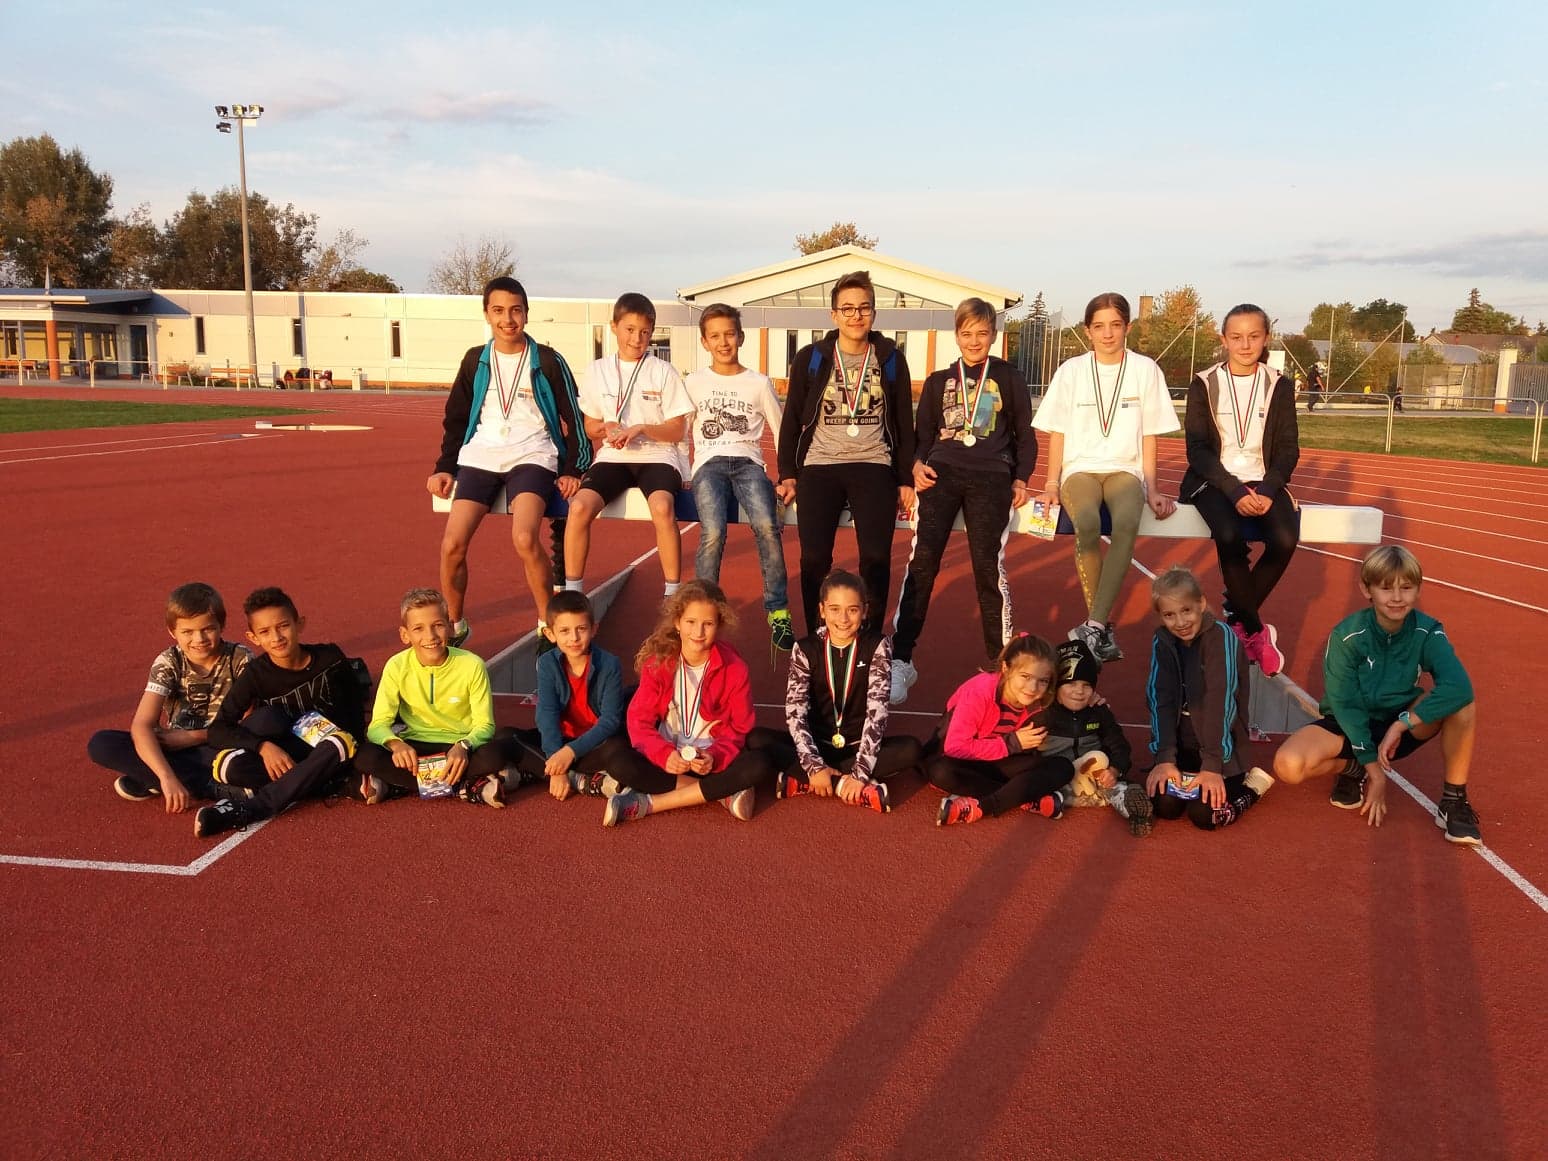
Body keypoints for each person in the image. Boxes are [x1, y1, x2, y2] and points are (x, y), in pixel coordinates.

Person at [1272, 546, 1479, 844]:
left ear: (1418, 589)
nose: (1396, 597)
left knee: (1462, 704)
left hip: (1400, 724)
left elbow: (1459, 687)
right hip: (1348, 724)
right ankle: (1353, 768)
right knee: (1288, 765)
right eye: (1385, 588)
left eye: (1406, 588)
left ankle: (1454, 800)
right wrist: (1374, 770)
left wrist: (1403, 723)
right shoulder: (1347, 636)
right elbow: (1345, 705)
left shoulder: (1428, 631)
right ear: (1366, 589)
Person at [889, 297, 1038, 704]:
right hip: (942, 473)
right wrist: (916, 466)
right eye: (967, 333)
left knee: (988, 568)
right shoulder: (939, 380)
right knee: (923, 563)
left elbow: (1025, 434)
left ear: (994, 334)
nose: (974, 341)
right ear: (956, 335)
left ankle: (1003, 664)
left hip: (992, 476)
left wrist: (1021, 478)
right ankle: (901, 659)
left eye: (982, 333)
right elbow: (922, 436)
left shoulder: (1009, 377)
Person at [428, 276, 589, 647]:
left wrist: (573, 469)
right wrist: (444, 466)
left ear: (526, 314)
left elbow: (575, 419)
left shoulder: (547, 360)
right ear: (487, 314)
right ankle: (456, 625)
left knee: (524, 537)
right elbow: (456, 418)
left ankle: (548, 626)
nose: (508, 319)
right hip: (481, 455)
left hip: (532, 455)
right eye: (498, 310)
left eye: (516, 310)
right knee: (451, 544)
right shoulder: (475, 360)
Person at [1034, 292, 1179, 663]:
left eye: (1115, 325)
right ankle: (1100, 626)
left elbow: (1149, 434)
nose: (1108, 334)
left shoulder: (1145, 369)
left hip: (1125, 470)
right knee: (1086, 522)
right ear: (1088, 331)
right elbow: (1057, 432)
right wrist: (1051, 483)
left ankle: (1094, 625)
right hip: (1079, 469)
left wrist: (1153, 487)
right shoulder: (1071, 371)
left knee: (1127, 521)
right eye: (1099, 326)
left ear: (1127, 327)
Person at [776, 270, 916, 637]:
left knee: (876, 558)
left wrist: (904, 478)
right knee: (814, 559)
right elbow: (791, 420)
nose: (856, 316)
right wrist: (787, 472)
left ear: (874, 313)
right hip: (820, 465)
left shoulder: (890, 359)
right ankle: (817, 637)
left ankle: (868, 639)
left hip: (873, 463)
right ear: (834, 314)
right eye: (848, 309)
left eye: (864, 308)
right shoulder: (811, 358)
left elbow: (904, 422)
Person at [1179, 303, 1300, 676]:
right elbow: (1197, 449)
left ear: (1266, 338)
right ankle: (1254, 630)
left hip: (1264, 481)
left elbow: (1288, 449)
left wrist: (1268, 490)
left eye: (1253, 336)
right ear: (1224, 340)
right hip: (1215, 480)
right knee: (1228, 533)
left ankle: (1237, 618)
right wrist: (1234, 491)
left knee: (1285, 538)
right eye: (1236, 337)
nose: (1245, 345)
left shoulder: (1279, 384)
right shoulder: (1204, 383)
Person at [194, 587, 368, 838]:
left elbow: (355, 709)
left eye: (283, 626)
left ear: (299, 624)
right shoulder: (256, 674)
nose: (276, 637)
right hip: (290, 753)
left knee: (340, 743)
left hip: (333, 748)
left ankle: (252, 808)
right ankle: (329, 784)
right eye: (265, 632)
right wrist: (263, 747)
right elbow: (218, 729)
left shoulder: (330, 658)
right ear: (253, 637)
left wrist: (352, 750)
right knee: (228, 766)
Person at [747, 570, 922, 813]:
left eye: (852, 610)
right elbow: (795, 713)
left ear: (865, 611)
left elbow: (877, 714)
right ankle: (839, 785)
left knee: (911, 749)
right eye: (835, 609)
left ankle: (805, 780)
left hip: (857, 747)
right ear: (822, 610)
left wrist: (860, 772)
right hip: (817, 744)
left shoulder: (878, 646)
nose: (843, 618)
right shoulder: (804, 649)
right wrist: (814, 765)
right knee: (756, 740)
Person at [603, 580, 775, 826]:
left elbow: (739, 728)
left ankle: (649, 804)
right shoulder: (658, 663)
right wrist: (664, 755)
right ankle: (722, 793)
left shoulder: (735, 669)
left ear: (719, 625)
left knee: (758, 764)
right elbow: (639, 721)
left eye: (708, 624)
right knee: (619, 762)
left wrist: (714, 756)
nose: (698, 632)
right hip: (668, 760)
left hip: (711, 762)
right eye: (691, 622)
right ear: (677, 622)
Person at [565, 292, 693, 597]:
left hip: (658, 456)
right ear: (614, 327)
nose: (637, 339)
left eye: (645, 332)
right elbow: (589, 427)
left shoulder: (663, 371)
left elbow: (677, 429)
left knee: (662, 507)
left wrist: (642, 428)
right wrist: (606, 427)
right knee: (579, 506)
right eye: (630, 330)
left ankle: (672, 593)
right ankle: (573, 593)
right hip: (613, 456)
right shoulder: (597, 370)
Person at [683, 303, 794, 653]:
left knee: (767, 526)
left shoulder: (758, 383)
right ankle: (703, 607)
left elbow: (781, 430)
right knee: (713, 531)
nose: (723, 342)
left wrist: (786, 476)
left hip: (748, 464)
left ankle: (777, 609)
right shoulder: (694, 383)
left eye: (729, 334)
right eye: (715, 336)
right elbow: (681, 429)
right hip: (709, 464)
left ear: (741, 337)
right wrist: (682, 470)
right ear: (704, 342)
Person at [86, 582, 251, 812]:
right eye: (187, 632)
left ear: (221, 625)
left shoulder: (240, 659)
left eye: (207, 629)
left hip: (222, 746)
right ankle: (200, 785)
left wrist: (194, 737)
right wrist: (166, 777)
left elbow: (250, 722)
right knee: (102, 743)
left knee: (246, 756)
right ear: (172, 632)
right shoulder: (169, 662)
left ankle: (151, 778)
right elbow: (142, 725)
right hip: (177, 747)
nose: (199, 639)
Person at [1143, 566, 1274, 831]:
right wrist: (1165, 758)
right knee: (1164, 805)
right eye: (1169, 615)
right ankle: (1182, 767)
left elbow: (1220, 702)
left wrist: (1213, 766)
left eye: (1186, 610)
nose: (1180, 622)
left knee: (1205, 814)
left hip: (1221, 750)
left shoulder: (1221, 638)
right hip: (1183, 749)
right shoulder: (1162, 640)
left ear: (1201, 604)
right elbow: (1160, 698)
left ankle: (1253, 787)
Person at [354, 588, 507, 808]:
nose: (430, 636)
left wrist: (464, 746)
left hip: (457, 747)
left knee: (493, 755)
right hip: (415, 748)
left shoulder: (472, 665)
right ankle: (468, 786)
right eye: (418, 628)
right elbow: (377, 726)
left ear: (450, 627)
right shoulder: (396, 666)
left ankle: (398, 785)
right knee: (366, 756)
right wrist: (396, 744)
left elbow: (485, 725)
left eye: (438, 625)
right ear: (405, 635)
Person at [930, 634, 1074, 825]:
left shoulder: (1042, 701)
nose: (1033, 687)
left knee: (1063, 767)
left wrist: (1095, 702)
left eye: (1043, 681)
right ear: (1006, 669)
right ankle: (1022, 799)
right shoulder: (979, 692)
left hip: (999, 761)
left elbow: (1075, 690)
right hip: (962, 761)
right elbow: (955, 747)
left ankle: (984, 805)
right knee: (941, 772)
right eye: (1025, 676)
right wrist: (1012, 743)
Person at [508, 589, 634, 800]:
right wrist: (557, 762)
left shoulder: (609, 664)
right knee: (505, 738)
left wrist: (569, 753)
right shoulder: (547, 663)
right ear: (550, 634)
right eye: (564, 631)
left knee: (619, 752)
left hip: (596, 743)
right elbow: (547, 714)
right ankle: (581, 779)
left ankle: (540, 772)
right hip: (561, 741)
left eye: (581, 629)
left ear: (594, 629)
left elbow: (610, 720)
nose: (574, 638)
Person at [1043, 640, 1152, 836]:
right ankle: (1071, 796)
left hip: (1092, 777)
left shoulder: (1098, 712)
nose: (1079, 691)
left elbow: (1120, 745)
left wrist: (1115, 770)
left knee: (1109, 774)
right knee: (1048, 779)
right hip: (1056, 776)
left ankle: (1132, 808)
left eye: (1086, 685)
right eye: (1071, 683)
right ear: (1056, 685)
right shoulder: (1044, 714)